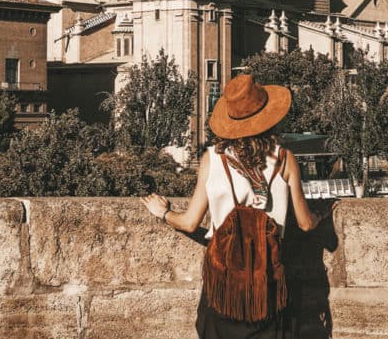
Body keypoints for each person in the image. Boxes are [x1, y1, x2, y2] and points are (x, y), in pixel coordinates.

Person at [141, 73, 335, 338]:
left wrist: (162, 212)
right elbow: (305, 223)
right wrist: (325, 210)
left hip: (224, 284)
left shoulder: (212, 159)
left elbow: (189, 222)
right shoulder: (283, 158)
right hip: (266, 281)